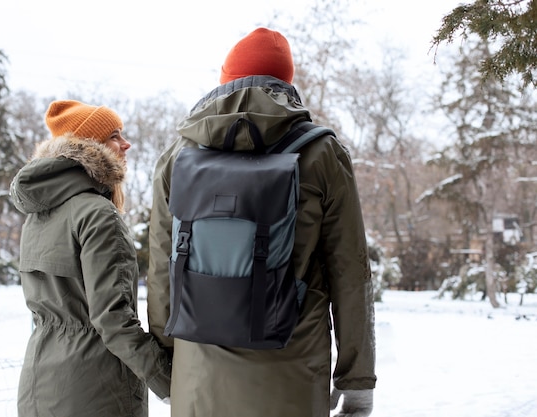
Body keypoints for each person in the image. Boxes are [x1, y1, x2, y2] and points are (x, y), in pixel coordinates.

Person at [147, 28, 376, 416]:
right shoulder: (322, 152)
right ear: (285, 83)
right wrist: (357, 379)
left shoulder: (178, 155)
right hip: (293, 370)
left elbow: (161, 269)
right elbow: (350, 270)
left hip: (198, 374)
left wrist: (164, 368)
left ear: (224, 81)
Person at [10, 99, 171, 417]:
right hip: (95, 390)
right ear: (90, 147)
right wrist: (169, 382)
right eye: (114, 135)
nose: (126, 144)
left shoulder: (39, 215)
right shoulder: (97, 214)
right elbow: (113, 318)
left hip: (39, 384)